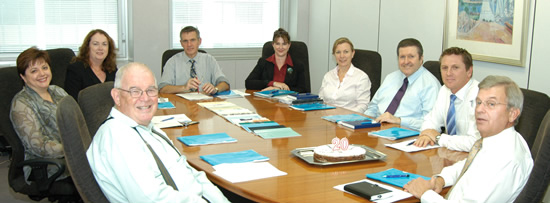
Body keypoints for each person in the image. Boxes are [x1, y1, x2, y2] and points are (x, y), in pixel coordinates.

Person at [87, 62, 229, 203]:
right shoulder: (118, 136)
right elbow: (150, 198)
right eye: (135, 91)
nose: (145, 98)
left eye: (151, 90)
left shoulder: (148, 127)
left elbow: (190, 173)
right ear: (117, 96)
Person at [403, 75, 533, 202]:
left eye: (491, 104)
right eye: (478, 102)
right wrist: (441, 179)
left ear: (512, 114)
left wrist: (425, 194)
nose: (480, 109)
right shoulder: (497, 141)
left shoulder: (506, 159)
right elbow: (469, 165)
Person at [10, 47, 70, 182]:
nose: (42, 73)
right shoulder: (21, 104)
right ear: (23, 77)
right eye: (34, 71)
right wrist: (73, 148)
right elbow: (38, 146)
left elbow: (76, 120)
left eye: (44, 67)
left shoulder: (58, 91)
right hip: (47, 165)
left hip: (72, 154)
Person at [414, 47, 481, 151]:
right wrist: (426, 134)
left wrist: (438, 138)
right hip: (451, 154)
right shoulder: (445, 90)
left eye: (455, 68)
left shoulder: (480, 96)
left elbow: (475, 143)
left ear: (469, 71)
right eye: (445, 68)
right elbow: (431, 120)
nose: (449, 73)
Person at [364, 38, 440, 130]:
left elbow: (432, 124)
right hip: (377, 130)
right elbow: (373, 107)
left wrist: (399, 120)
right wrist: (364, 124)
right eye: (402, 57)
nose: (406, 61)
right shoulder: (391, 78)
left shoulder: (430, 85)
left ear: (421, 58)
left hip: (408, 134)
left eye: (411, 56)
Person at [159, 26, 230, 95]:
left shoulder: (209, 60)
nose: (189, 44)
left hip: (205, 102)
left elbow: (225, 84)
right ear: (181, 43)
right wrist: (184, 87)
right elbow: (162, 88)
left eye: (192, 40)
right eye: (185, 41)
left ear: (199, 41)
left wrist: (215, 89)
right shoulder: (172, 62)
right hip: (181, 103)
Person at [318, 37, 371, 113]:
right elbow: (320, 100)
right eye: (338, 52)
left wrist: (343, 116)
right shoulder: (328, 76)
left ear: (352, 53)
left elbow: (363, 106)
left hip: (349, 120)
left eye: (346, 52)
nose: (342, 56)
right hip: (326, 118)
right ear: (334, 55)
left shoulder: (361, 77)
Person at [245, 28, 307, 92]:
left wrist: (278, 89)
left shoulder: (298, 65)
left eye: (284, 44)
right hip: (267, 101)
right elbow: (249, 83)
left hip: (287, 101)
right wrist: (273, 83)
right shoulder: (264, 62)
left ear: (289, 45)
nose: (280, 47)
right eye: (277, 44)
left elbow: (303, 90)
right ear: (273, 45)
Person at [65, 29, 117, 100]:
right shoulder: (76, 69)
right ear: (88, 47)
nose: (100, 48)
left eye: (104, 44)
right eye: (95, 44)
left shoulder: (112, 69)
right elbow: (73, 102)